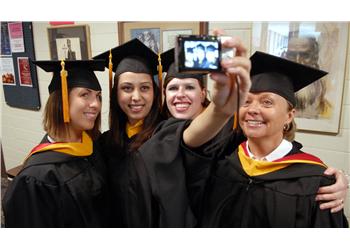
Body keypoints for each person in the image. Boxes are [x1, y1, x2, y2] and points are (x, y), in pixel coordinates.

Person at [182, 51, 348, 227]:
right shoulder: (223, 165)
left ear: (289, 116)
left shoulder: (317, 181)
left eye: (267, 102)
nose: (253, 109)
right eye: (246, 101)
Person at [2, 59, 111, 227]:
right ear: (62, 101)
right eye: (84, 94)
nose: (95, 104)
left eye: (98, 96)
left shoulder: (94, 147)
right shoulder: (36, 178)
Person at [93, 38, 164, 226]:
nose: (136, 97)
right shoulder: (106, 143)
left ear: (155, 93)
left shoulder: (167, 138)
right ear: (116, 93)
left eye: (145, 88)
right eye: (126, 88)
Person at [282, 32, 330, 118]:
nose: (297, 61)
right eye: (292, 55)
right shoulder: (277, 83)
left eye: (305, 55)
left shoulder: (323, 90)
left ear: (314, 57)